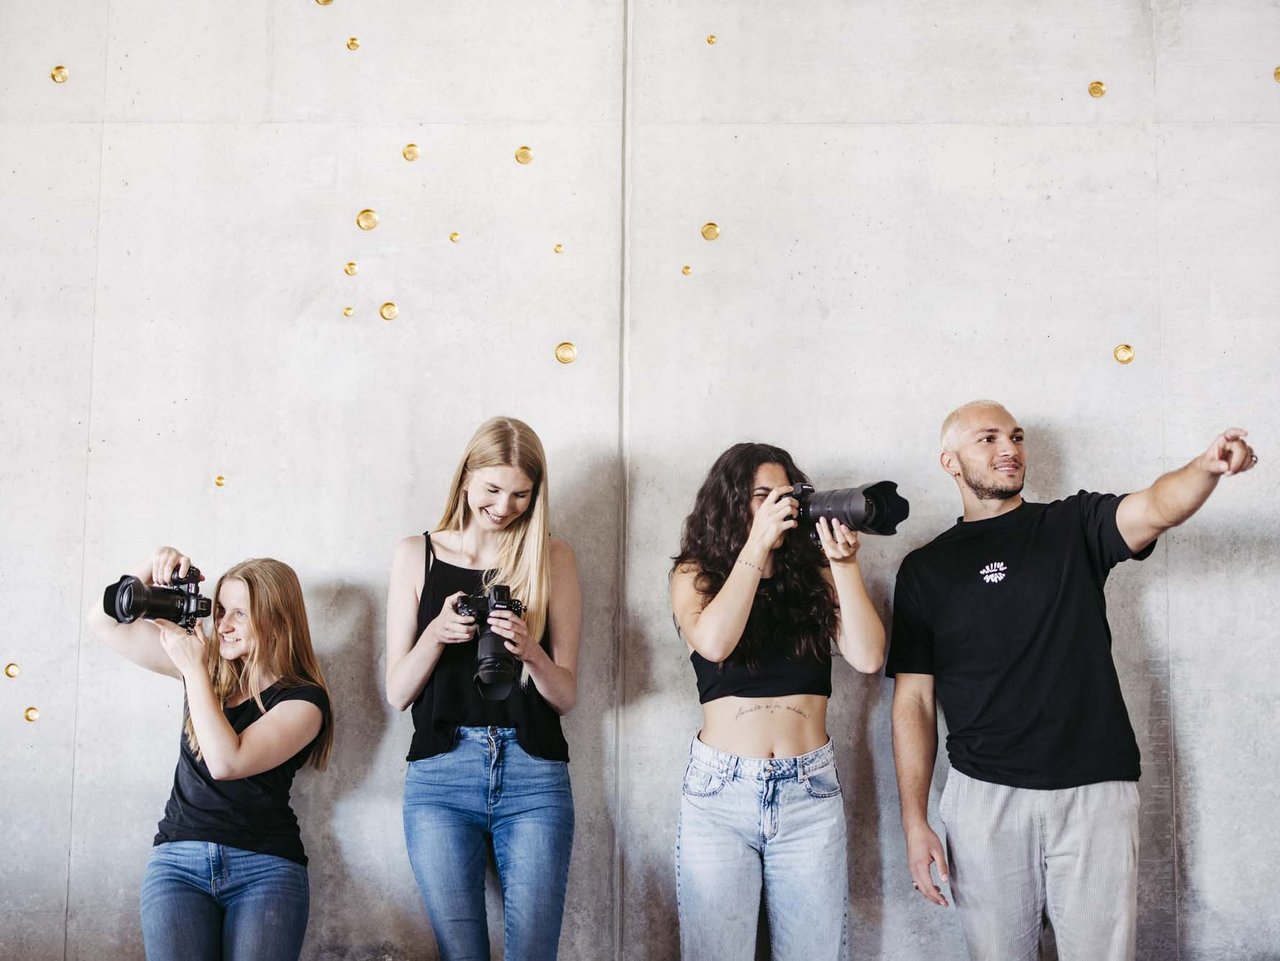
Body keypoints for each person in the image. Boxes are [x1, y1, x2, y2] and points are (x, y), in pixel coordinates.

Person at [887, 400, 1258, 961]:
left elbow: (1156, 506)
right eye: (987, 439)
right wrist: (914, 821)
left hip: (1094, 792)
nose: (1009, 449)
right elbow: (913, 700)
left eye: (1015, 436)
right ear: (950, 461)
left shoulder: (1071, 524)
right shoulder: (925, 568)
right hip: (984, 798)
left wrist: (1206, 467)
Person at [669, 442, 887, 960]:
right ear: (730, 502)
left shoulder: (812, 577)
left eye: (783, 496)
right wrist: (755, 548)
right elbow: (715, 642)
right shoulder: (695, 574)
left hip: (808, 790)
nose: (776, 507)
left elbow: (869, 656)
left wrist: (844, 565)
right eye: (761, 496)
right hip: (720, 792)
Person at [385, 416, 581, 961]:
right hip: (440, 775)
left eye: (522, 493)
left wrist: (530, 652)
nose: (505, 505)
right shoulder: (415, 554)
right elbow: (397, 692)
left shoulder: (552, 557)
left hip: (533, 773)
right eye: (493, 489)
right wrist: (435, 634)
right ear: (466, 478)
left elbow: (565, 695)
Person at [87, 547, 333, 961]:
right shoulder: (210, 671)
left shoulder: (304, 701)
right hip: (177, 863)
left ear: (276, 620)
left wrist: (194, 670)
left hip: (265, 870)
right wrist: (154, 562)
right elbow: (103, 620)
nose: (222, 625)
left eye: (240, 613)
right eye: (219, 610)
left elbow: (227, 762)